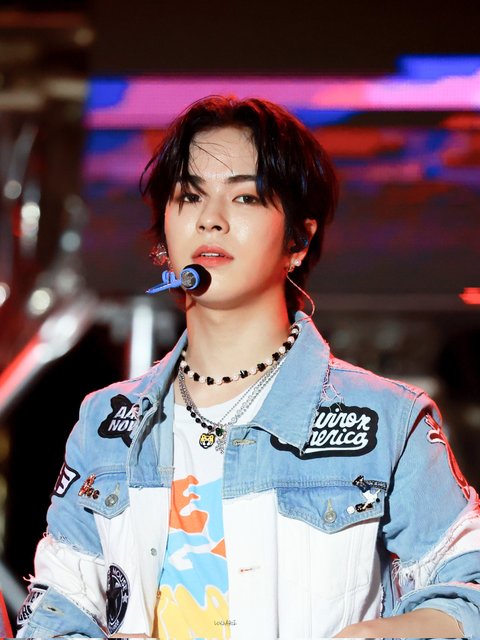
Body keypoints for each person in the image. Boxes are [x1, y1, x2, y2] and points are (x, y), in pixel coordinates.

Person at [16, 95, 480, 639]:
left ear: (299, 239)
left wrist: (378, 635)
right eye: (190, 196)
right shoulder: (105, 423)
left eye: (244, 197)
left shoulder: (388, 421)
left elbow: (468, 589)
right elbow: (54, 614)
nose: (210, 220)